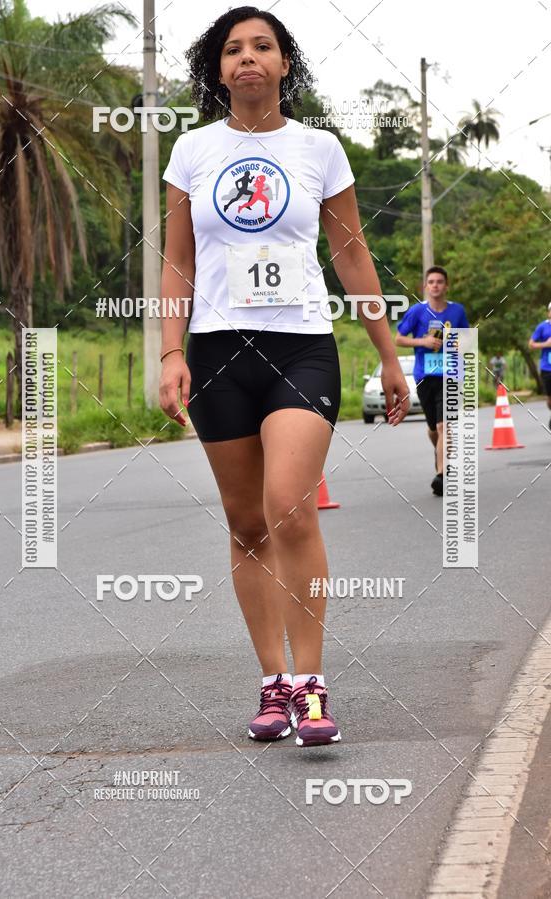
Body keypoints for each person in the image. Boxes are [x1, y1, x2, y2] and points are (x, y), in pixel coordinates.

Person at [158, 6, 409, 747]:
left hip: (301, 347)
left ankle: (312, 685)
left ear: (283, 64)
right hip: (217, 352)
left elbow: (351, 254)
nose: (247, 57)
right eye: (233, 49)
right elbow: (178, 260)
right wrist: (171, 352)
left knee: (289, 509)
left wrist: (388, 353)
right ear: (218, 70)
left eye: (262, 46)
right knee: (245, 524)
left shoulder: (319, 149)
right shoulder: (192, 151)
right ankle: (272, 682)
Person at [395, 267, 469, 496]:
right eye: (431, 282)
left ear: (447, 286)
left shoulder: (457, 311)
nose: (435, 285)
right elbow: (398, 339)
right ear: (426, 286)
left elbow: (467, 340)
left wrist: (453, 342)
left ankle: (442, 474)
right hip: (425, 376)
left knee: (443, 425)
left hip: (451, 375)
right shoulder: (417, 311)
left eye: (440, 281)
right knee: (432, 428)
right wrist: (423, 342)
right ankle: (440, 453)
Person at [528, 301, 551, 429]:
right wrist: (546, 344)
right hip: (547, 367)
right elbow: (531, 344)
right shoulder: (542, 327)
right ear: (548, 312)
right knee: (550, 399)